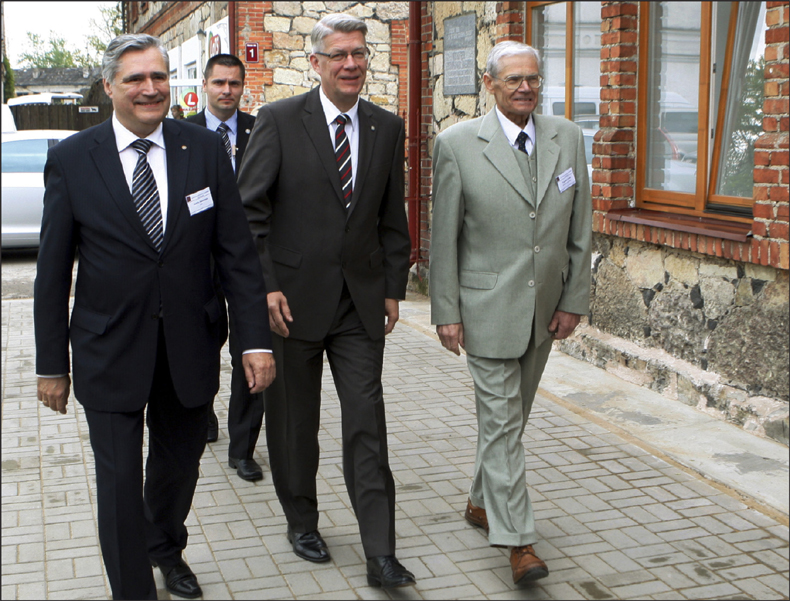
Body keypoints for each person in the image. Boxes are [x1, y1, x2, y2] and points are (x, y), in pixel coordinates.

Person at [34, 34, 275, 600]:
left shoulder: (204, 149)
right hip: (108, 349)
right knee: (119, 481)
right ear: (109, 86)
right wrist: (51, 365)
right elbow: (52, 273)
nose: (150, 88)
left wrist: (255, 342)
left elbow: (237, 255)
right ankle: (133, 590)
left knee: (179, 466)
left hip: (188, 346)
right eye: (136, 79)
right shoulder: (73, 159)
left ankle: (165, 547)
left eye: (159, 77)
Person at [238, 13, 415, 590]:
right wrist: (265, 286)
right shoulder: (280, 120)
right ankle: (302, 520)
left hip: (359, 306)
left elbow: (392, 217)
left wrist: (392, 286)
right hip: (290, 305)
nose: (351, 64)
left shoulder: (386, 127)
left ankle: (380, 552)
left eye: (359, 53)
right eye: (339, 54)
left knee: (367, 423)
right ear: (315, 62)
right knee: (295, 425)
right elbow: (249, 212)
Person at [429, 41, 592, 585]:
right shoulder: (457, 145)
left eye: (533, 79)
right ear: (490, 83)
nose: (526, 88)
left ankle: (481, 501)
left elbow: (580, 228)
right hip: (486, 309)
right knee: (501, 425)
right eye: (514, 79)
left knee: (509, 422)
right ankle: (519, 541)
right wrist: (446, 310)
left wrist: (573, 300)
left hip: (544, 311)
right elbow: (444, 238)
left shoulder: (567, 138)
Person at [186, 53, 264, 482]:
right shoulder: (182, 133)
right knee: (202, 342)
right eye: (219, 83)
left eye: (234, 83)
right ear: (205, 84)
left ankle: (243, 448)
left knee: (251, 345)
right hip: (198, 259)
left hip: (250, 256)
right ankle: (203, 411)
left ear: (242, 87)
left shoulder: (260, 130)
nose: (227, 91)